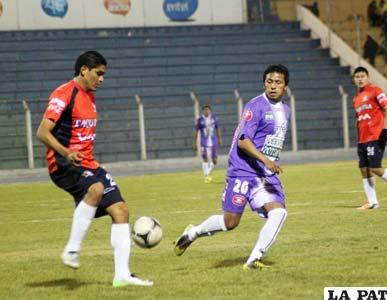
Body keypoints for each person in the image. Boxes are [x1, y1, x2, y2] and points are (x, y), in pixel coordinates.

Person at [36, 51, 153, 287]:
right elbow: (42, 132)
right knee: (96, 189)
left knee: (120, 210)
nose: (102, 79)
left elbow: (84, 138)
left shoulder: (90, 97)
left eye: (104, 75)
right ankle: (72, 249)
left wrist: (94, 163)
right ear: (83, 70)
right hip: (64, 162)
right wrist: (66, 152)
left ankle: (122, 275)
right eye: (99, 74)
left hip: (87, 163)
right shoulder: (64, 93)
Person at [175, 64, 290, 269]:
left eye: (278, 82)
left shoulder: (285, 110)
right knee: (230, 223)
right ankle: (193, 232)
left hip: (264, 175)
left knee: (278, 212)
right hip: (243, 171)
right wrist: (267, 160)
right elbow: (243, 142)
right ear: (264, 83)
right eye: (269, 82)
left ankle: (254, 258)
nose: (273, 86)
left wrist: (268, 161)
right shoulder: (256, 106)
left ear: (285, 87)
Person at [352, 66, 387, 210]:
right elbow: (360, 119)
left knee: (375, 167)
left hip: (375, 136)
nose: (360, 79)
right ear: (354, 79)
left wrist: (385, 129)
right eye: (357, 77)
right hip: (362, 139)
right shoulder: (356, 98)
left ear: (368, 77)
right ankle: (372, 202)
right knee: (364, 169)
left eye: (362, 76)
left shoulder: (376, 91)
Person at [193, 105, 222, 183]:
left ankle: (208, 172)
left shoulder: (214, 118)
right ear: (203, 111)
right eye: (205, 110)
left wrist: (220, 139)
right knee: (205, 158)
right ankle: (206, 176)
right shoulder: (200, 120)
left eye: (208, 110)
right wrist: (194, 143)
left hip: (214, 141)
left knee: (215, 160)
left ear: (210, 111)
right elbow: (196, 131)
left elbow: (218, 128)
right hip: (204, 142)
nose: (206, 111)